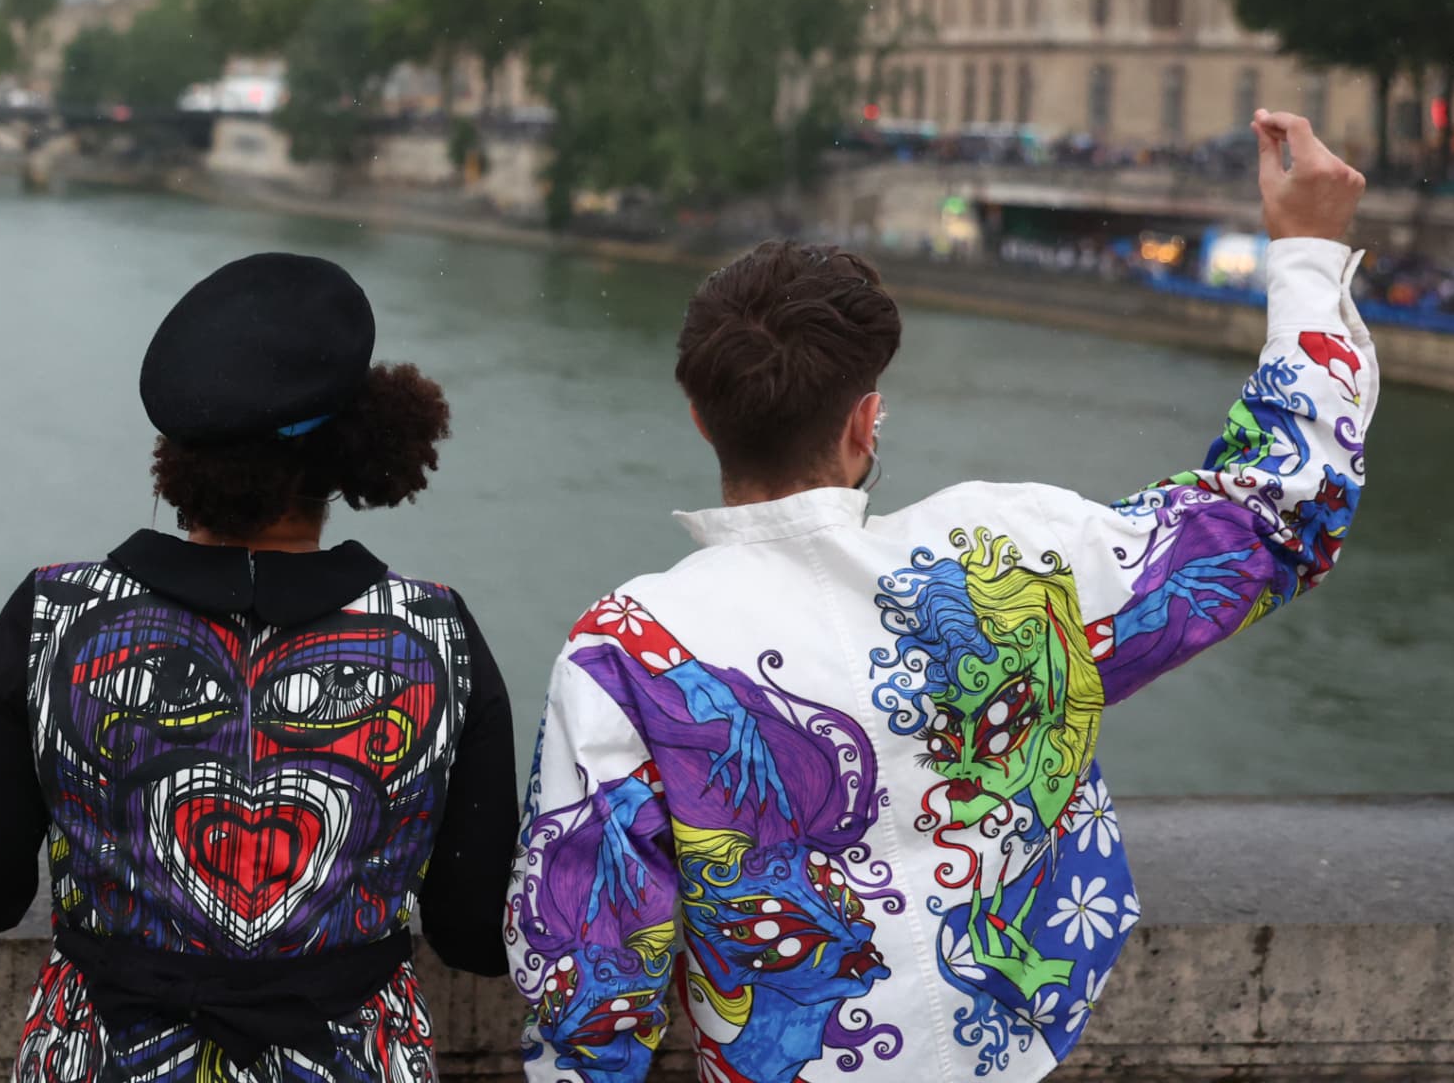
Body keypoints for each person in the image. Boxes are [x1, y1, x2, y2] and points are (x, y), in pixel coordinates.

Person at [505, 110, 1374, 1083]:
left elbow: (586, 993)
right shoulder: (1013, 556)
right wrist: (1303, 250)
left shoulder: (629, 652)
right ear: (865, 421)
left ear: (702, 420)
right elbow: (1275, 518)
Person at [0, 252, 519, 1083]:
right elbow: (478, 931)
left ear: (178, 454)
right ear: (350, 447)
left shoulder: (53, 616)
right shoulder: (438, 633)